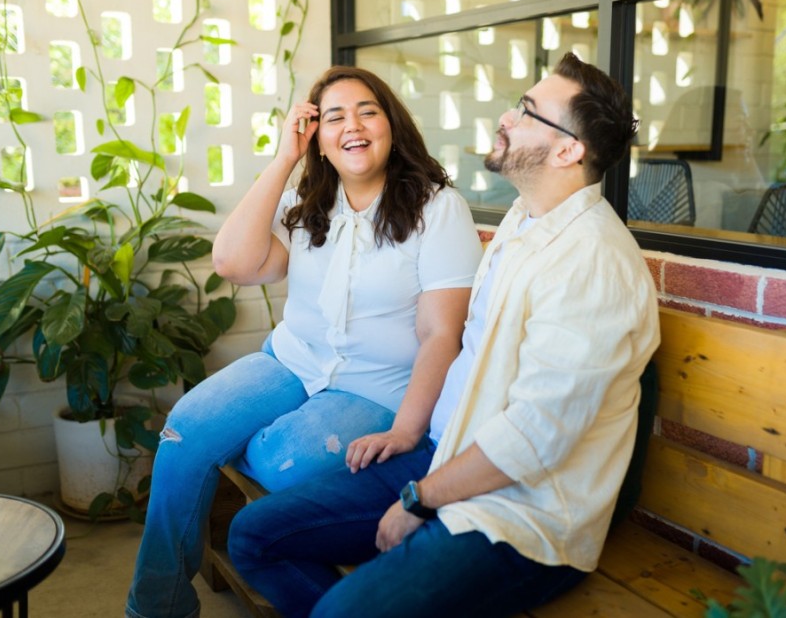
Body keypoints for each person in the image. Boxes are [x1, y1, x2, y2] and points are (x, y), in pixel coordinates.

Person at [226, 52, 661, 618]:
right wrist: (411, 437)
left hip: (518, 515)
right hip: (444, 455)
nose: (507, 115)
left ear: (568, 150)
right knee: (253, 535)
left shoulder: (593, 263)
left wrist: (420, 498)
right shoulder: (526, 221)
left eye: (527, 111)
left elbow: (535, 440)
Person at [125, 66, 483, 618]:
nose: (353, 126)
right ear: (316, 134)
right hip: (290, 362)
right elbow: (233, 263)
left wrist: (407, 429)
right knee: (184, 433)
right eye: (334, 117)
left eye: (368, 111)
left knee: (279, 463)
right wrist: (282, 159)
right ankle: (156, 607)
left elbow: (442, 333)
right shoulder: (310, 197)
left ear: (392, 124)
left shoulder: (437, 209)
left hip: (374, 389)